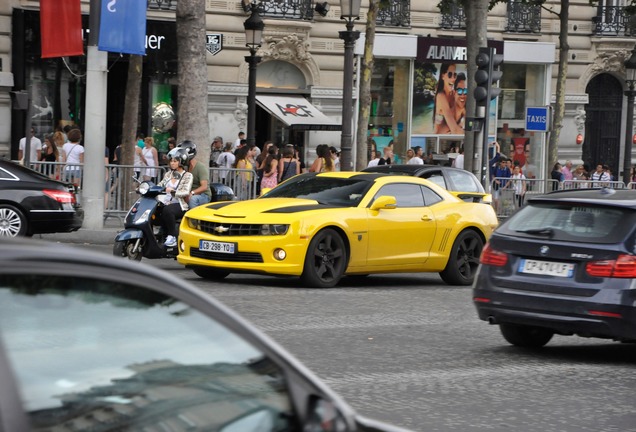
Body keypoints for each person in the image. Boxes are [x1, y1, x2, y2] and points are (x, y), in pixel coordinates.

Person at [158, 147, 194, 248]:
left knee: (168, 210)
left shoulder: (187, 175)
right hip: (165, 202)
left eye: (175, 161)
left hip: (180, 204)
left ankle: (172, 236)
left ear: (181, 162)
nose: (172, 163)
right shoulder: (168, 174)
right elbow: (160, 185)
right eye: (171, 161)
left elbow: (186, 191)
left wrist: (173, 191)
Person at [179, 140, 211, 208]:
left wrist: (192, 193)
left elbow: (204, 187)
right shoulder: (185, 168)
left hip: (203, 195)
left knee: (193, 200)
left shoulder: (200, 167)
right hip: (189, 193)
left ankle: (193, 218)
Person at [433, 63, 463, 134]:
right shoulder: (440, 96)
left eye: (455, 75)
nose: (453, 79)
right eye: (450, 74)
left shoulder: (454, 95)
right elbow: (454, 130)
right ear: (443, 76)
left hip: (451, 139)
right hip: (439, 140)